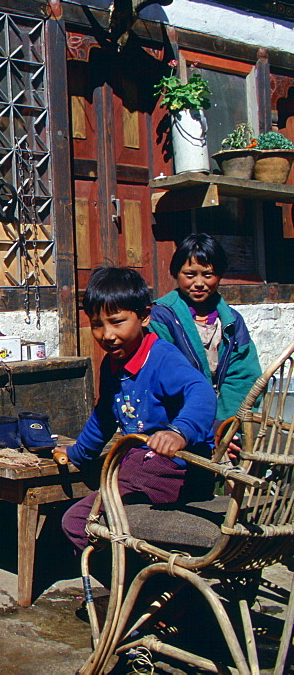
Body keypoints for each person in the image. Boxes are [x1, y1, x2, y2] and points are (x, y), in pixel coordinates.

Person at [56, 266, 217, 552]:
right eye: (97, 324)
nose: (107, 335)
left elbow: (201, 392)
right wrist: (78, 453)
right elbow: (105, 414)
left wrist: (179, 432)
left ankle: (133, 586)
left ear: (144, 316)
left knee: (77, 522)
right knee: (106, 485)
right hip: (141, 466)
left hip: (175, 470)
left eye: (117, 322)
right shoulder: (111, 364)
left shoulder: (162, 358)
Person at [148, 233, 262, 428]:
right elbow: (165, 376)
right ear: (175, 273)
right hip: (178, 418)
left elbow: (243, 377)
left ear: (219, 276)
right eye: (190, 275)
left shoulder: (232, 321)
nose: (199, 283)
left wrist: (228, 425)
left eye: (208, 275)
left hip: (225, 417)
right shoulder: (162, 317)